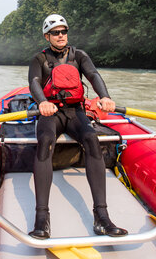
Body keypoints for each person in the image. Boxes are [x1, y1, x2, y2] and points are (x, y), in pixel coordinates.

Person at [27, 14, 128, 239]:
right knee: (45, 142)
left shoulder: (79, 55)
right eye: (55, 32)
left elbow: (93, 74)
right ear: (47, 36)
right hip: (51, 112)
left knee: (92, 140)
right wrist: (42, 102)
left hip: (75, 112)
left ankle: (102, 217)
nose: (60, 35)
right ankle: (41, 218)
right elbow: (34, 82)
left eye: (63, 31)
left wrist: (105, 96)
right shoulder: (39, 59)